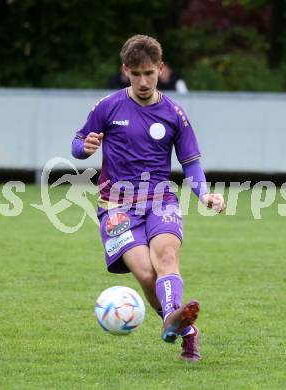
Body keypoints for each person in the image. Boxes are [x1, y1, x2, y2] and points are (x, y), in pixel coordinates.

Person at [72, 34, 226, 362]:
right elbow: (78, 140)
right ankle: (184, 329)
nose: (143, 81)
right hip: (115, 206)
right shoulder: (108, 106)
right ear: (125, 70)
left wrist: (204, 194)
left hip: (160, 200)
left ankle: (173, 314)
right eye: (136, 74)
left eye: (149, 73)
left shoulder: (174, 114)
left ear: (160, 69)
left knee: (167, 257)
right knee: (145, 275)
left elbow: (191, 165)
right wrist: (84, 149)